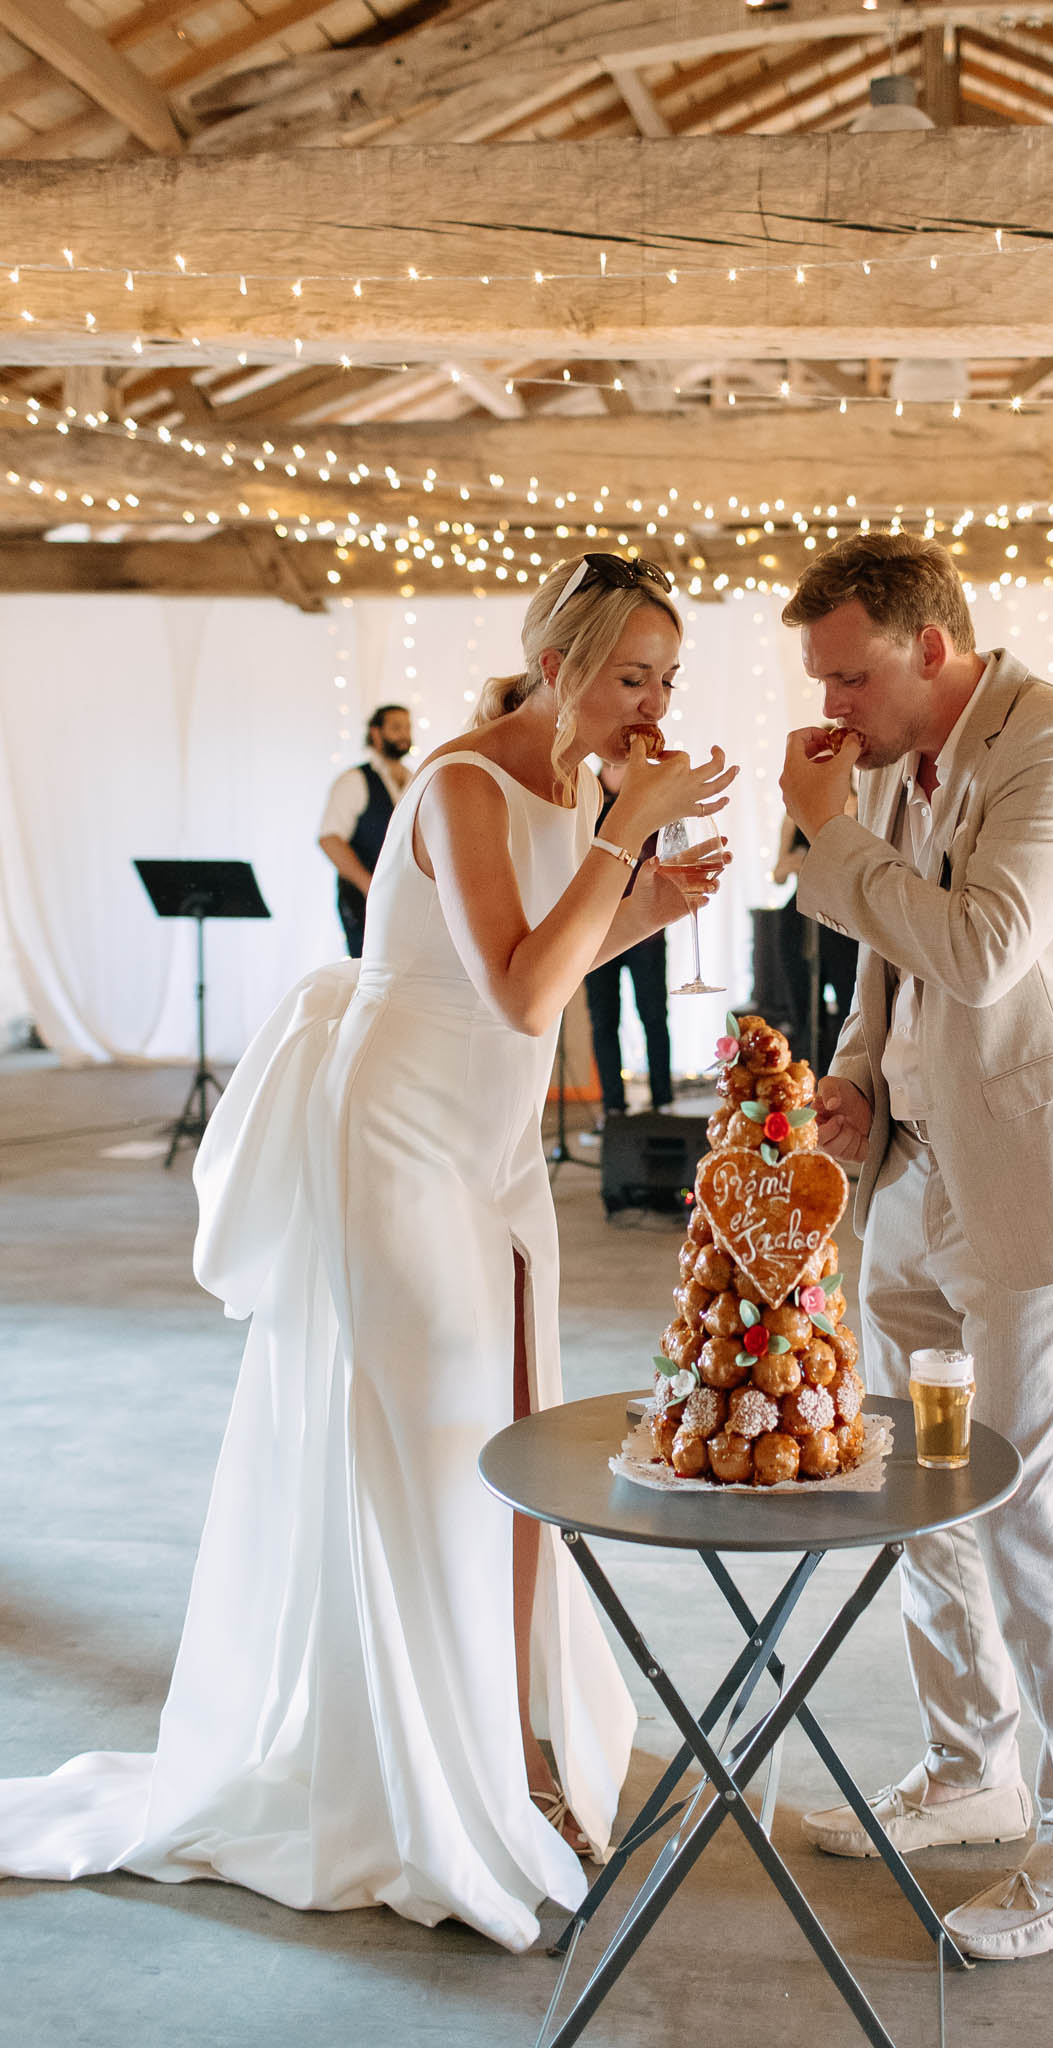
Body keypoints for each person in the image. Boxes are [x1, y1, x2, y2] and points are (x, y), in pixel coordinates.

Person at [0, 553, 736, 1951]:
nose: (650, 703)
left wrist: (649, 896)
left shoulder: (579, 785)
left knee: (519, 1429)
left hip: (494, 1148)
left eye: (666, 679)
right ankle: (425, 1772)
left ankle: (512, 1736)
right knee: (431, 1429)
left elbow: (542, 960)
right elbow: (522, 994)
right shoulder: (460, 781)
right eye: (630, 675)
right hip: (400, 1133)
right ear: (561, 664)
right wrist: (619, 836)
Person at [778, 531, 1053, 1963]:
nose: (832, 702)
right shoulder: (892, 761)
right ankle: (971, 1769)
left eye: (849, 672)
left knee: (1027, 1502)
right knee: (920, 1487)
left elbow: (985, 948)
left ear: (930, 648)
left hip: (1037, 1184)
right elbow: (892, 979)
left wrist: (831, 840)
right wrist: (858, 1076)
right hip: (911, 1177)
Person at [583, 757, 672, 1125]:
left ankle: (664, 1103)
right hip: (594, 923)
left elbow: (668, 843)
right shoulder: (582, 789)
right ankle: (613, 1109)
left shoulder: (650, 788)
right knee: (604, 1020)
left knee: (654, 1016)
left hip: (646, 926)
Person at [318, 702, 413, 957]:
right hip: (362, 901)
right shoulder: (355, 780)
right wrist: (369, 885)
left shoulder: (415, 779)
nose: (404, 734)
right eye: (396, 728)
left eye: (407, 727)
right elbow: (330, 839)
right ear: (376, 733)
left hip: (405, 900)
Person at [772, 807, 859, 1071]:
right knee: (804, 1008)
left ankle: (848, 1077)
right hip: (801, 918)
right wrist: (794, 862)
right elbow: (778, 875)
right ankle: (809, 1079)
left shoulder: (860, 806)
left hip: (843, 919)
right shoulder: (795, 813)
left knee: (851, 1004)